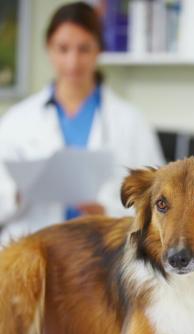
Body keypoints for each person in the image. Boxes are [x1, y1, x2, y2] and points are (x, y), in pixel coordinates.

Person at [0, 1, 164, 245]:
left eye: (84, 49)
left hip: (102, 252)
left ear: (99, 49)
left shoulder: (130, 122)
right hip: (30, 248)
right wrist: (18, 192)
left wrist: (104, 209)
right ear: (49, 48)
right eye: (63, 49)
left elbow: (159, 202)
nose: (73, 62)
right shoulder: (18, 120)